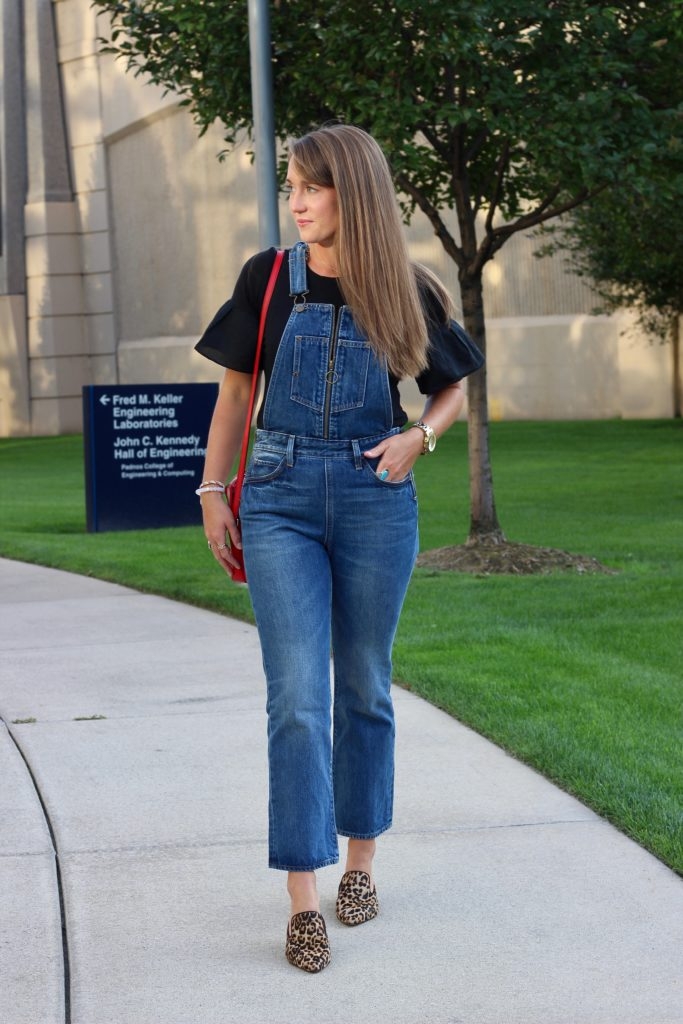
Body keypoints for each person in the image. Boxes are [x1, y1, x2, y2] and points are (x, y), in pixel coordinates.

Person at [195, 124, 481, 973]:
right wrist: (214, 491)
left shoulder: (406, 286)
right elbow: (236, 391)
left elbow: (452, 387)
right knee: (294, 699)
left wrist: (416, 439)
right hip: (278, 500)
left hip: (373, 501)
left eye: (310, 186)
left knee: (363, 686)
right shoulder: (269, 279)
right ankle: (303, 899)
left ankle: (361, 865)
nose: (296, 201)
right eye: (291, 186)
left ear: (350, 192)